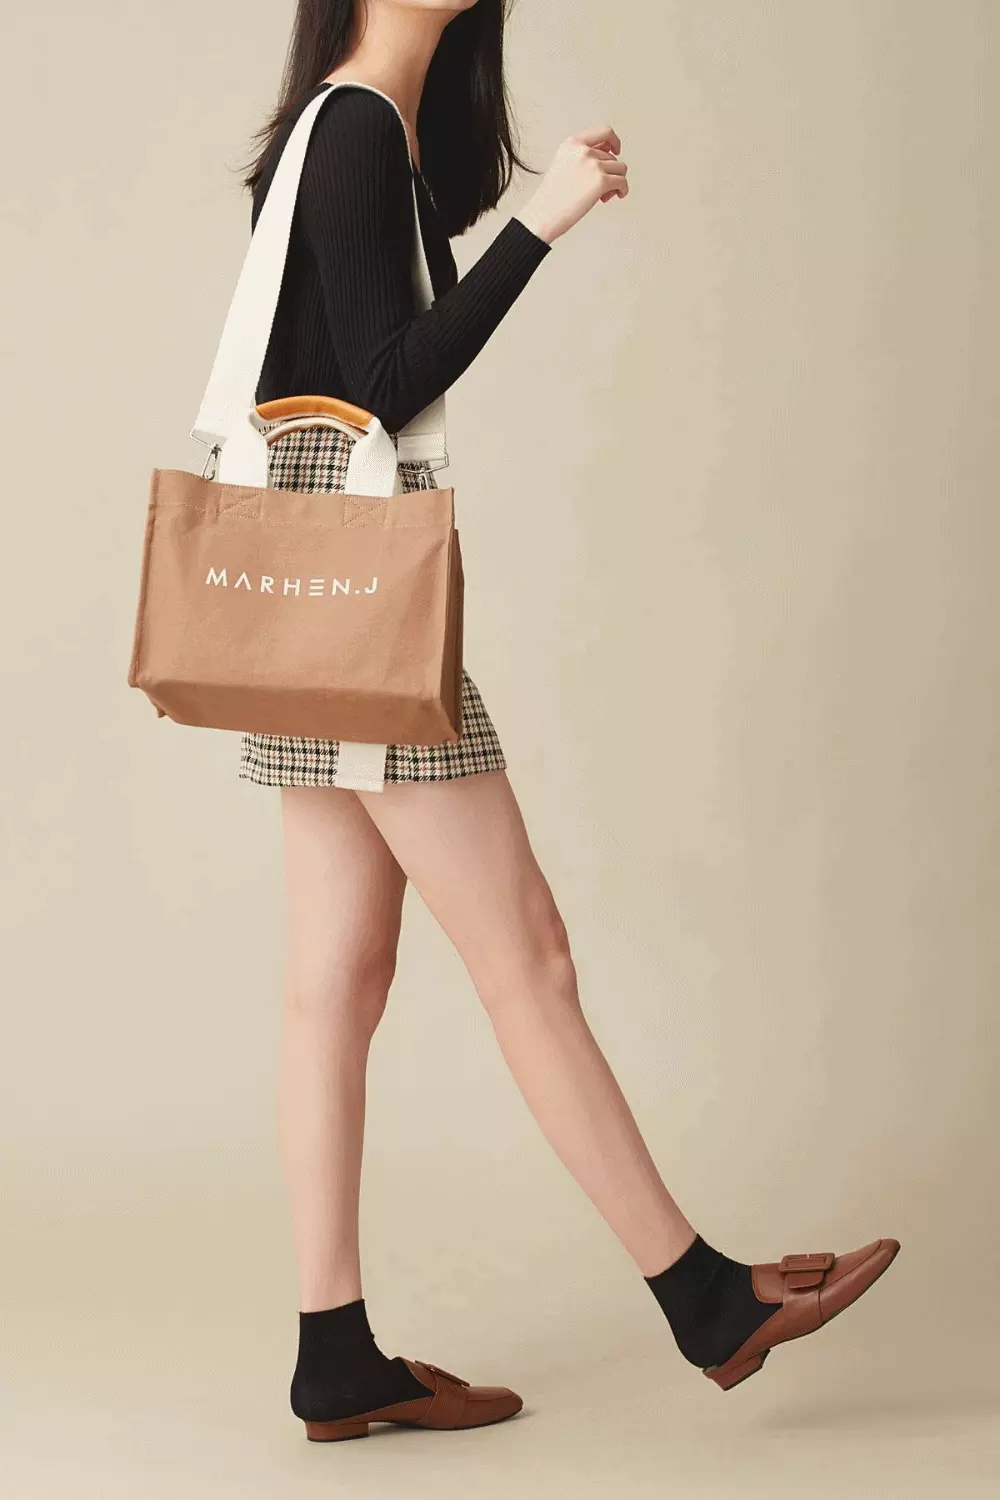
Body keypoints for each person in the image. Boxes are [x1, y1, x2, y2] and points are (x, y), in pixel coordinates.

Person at [234, 0, 899, 1442]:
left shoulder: (364, 133)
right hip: (361, 612)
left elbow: (348, 358)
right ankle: (702, 1299)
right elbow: (381, 387)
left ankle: (333, 1351)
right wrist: (545, 224)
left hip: (301, 610)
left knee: (334, 978)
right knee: (524, 950)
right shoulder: (355, 131)